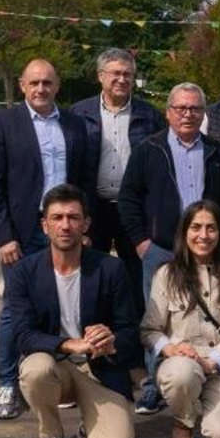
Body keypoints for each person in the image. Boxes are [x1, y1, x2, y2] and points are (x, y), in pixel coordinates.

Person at [0, 58, 96, 421]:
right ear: (22, 85)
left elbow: (85, 181)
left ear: (57, 85)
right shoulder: (4, 123)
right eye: (34, 83)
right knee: (15, 309)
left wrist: (85, 228)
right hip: (22, 231)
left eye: (47, 82)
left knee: (66, 301)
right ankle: (6, 383)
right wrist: (4, 235)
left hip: (67, 228)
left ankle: (58, 378)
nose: (41, 89)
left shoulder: (75, 125)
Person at [118, 82, 220, 414]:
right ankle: (154, 386)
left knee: (201, 314)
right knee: (156, 318)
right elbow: (129, 197)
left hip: (207, 250)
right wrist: (142, 242)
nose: (188, 114)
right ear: (169, 112)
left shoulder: (215, 152)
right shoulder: (149, 149)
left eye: (195, 109)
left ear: (203, 114)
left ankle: (203, 375)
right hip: (160, 250)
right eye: (181, 108)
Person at [5, 184, 140, 438]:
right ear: (45, 225)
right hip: (56, 367)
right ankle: (50, 435)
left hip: (101, 370)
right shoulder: (24, 273)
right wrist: (68, 344)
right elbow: (23, 335)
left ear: (86, 224)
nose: (65, 225)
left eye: (73, 217)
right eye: (57, 218)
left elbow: (132, 332)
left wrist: (112, 340)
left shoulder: (111, 269)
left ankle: (90, 425)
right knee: (34, 369)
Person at [142, 200, 220, 438]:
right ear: (184, 232)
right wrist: (170, 349)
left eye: (211, 228)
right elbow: (149, 329)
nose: (203, 235)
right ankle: (183, 423)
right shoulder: (166, 274)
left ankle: (202, 402)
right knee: (181, 375)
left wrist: (212, 362)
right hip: (183, 361)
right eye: (196, 227)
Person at [70, 48, 165, 318]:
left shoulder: (149, 115)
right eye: (116, 73)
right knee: (91, 273)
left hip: (133, 209)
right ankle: (91, 335)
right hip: (93, 207)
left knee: (137, 274)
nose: (122, 79)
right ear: (101, 76)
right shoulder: (79, 113)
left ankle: (135, 338)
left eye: (128, 74)